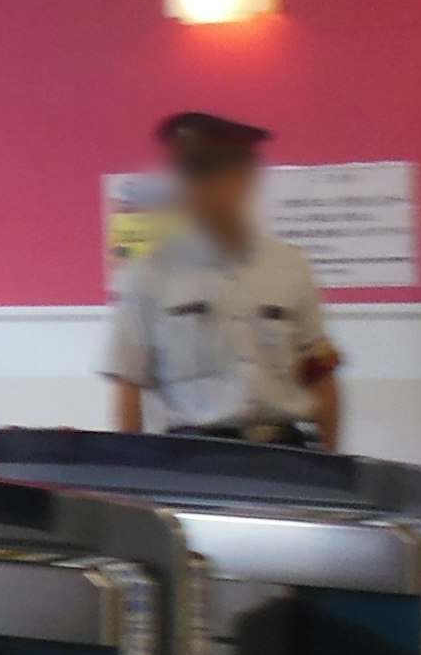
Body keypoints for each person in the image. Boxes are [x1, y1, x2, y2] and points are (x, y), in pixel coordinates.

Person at [102, 111, 341, 446]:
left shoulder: (290, 266)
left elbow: (321, 376)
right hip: (193, 463)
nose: (193, 186)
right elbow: (129, 386)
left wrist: (329, 470)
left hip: (285, 458)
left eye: (206, 169)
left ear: (245, 176)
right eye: (185, 171)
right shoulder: (148, 275)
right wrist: (131, 485)